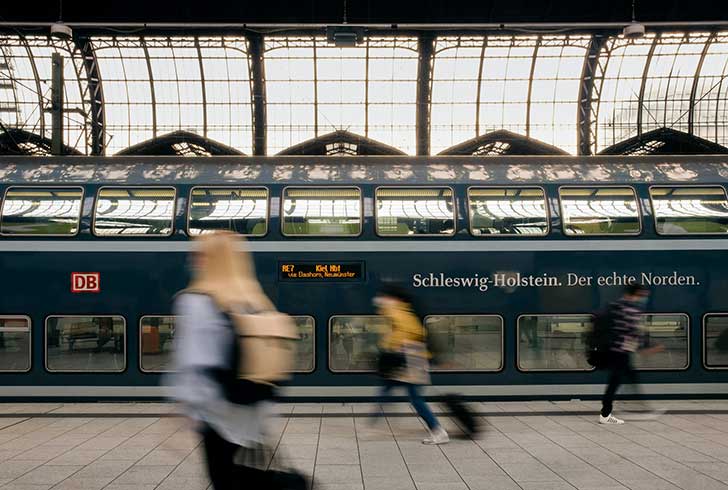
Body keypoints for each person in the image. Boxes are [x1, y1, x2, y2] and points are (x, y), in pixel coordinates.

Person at [171, 231, 277, 489]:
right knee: (239, 477)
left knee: (224, 479)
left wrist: (185, 410)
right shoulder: (254, 299)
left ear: (208, 260)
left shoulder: (196, 301)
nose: (193, 260)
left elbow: (194, 361)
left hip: (217, 414)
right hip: (250, 410)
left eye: (198, 255)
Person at [372, 284, 449, 445]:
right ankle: (374, 425)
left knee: (414, 398)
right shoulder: (402, 310)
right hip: (410, 358)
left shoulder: (397, 311)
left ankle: (438, 431)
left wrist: (392, 346)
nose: (380, 299)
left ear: (392, 298)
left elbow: (412, 332)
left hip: (412, 359)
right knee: (387, 388)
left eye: (384, 296)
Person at [599, 283, 663, 425]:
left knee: (628, 377)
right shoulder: (631, 309)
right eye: (643, 295)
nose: (643, 298)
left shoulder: (616, 306)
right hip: (621, 352)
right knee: (615, 382)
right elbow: (633, 332)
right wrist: (645, 349)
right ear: (636, 294)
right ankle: (606, 414)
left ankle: (640, 407)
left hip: (614, 350)